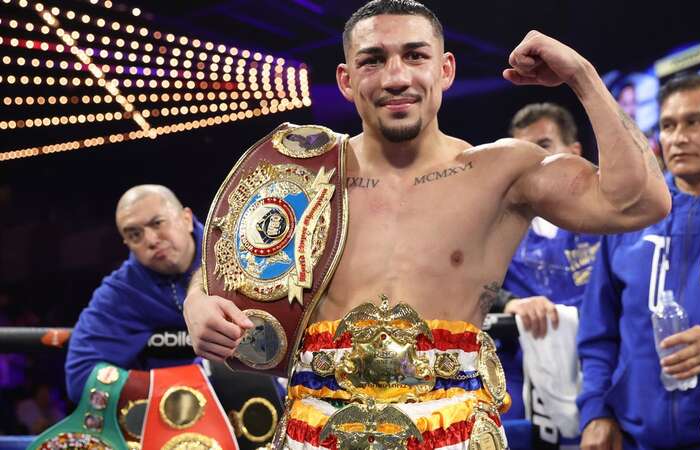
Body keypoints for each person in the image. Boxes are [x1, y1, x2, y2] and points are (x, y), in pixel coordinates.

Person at [183, 1, 671, 448]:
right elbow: (228, 257)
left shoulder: (502, 172)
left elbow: (638, 203)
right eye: (373, 60)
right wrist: (197, 303)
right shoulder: (302, 172)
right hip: (315, 430)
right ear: (347, 79)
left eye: (415, 55)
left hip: (454, 431)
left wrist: (582, 76)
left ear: (445, 69)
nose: (396, 77)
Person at [577, 74, 700, 450]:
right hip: (636, 439)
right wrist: (596, 412)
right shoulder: (629, 221)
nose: (678, 137)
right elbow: (597, 334)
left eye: (695, 122)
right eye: (668, 126)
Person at [499, 103, 600, 448]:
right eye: (521, 151)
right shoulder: (497, 225)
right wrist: (509, 302)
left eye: (542, 147)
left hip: (604, 373)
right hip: (526, 378)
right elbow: (462, 281)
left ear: (574, 153)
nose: (531, 161)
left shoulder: (609, 220)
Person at [64, 184, 202, 403]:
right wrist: (181, 388)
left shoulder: (239, 258)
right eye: (135, 234)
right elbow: (80, 377)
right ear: (127, 243)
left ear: (186, 218)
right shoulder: (121, 292)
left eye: (157, 223)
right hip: (166, 420)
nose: (151, 240)